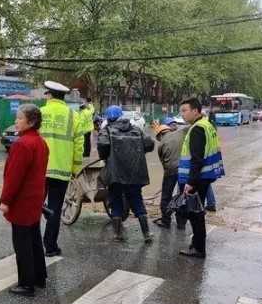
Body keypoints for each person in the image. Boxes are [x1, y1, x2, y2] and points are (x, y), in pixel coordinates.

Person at [0, 104, 49, 297]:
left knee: (22, 243)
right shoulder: (40, 142)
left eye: (20, 118)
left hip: (22, 200)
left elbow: (14, 177)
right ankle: (39, 277)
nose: (16, 121)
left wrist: (5, 201)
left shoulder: (22, 144)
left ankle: (26, 284)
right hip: (35, 198)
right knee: (34, 239)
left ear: (32, 121)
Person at [97, 105, 155, 243]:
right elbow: (149, 144)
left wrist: (106, 156)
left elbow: (103, 146)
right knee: (137, 200)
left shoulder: (107, 131)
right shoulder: (136, 130)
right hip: (135, 173)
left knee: (116, 201)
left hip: (115, 174)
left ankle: (118, 234)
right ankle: (146, 233)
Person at [40, 81, 84, 256]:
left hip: (39, 170)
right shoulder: (73, 116)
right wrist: (75, 167)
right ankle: (50, 247)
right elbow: (79, 145)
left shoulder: (39, 113)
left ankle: (32, 244)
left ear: (49, 95)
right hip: (62, 170)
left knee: (33, 205)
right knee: (55, 208)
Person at [178, 97, 225, 258]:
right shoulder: (207, 125)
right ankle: (197, 245)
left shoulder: (198, 128)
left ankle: (198, 248)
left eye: (185, 110)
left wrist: (190, 182)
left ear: (196, 111)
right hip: (206, 176)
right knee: (198, 212)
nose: (182, 114)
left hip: (198, 178)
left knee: (195, 214)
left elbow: (196, 159)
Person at [152, 123, 187, 230]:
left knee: (166, 197)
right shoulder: (181, 133)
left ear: (160, 135)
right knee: (182, 196)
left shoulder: (161, 144)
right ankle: (181, 223)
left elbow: (163, 162)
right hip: (184, 169)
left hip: (170, 171)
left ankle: (166, 221)